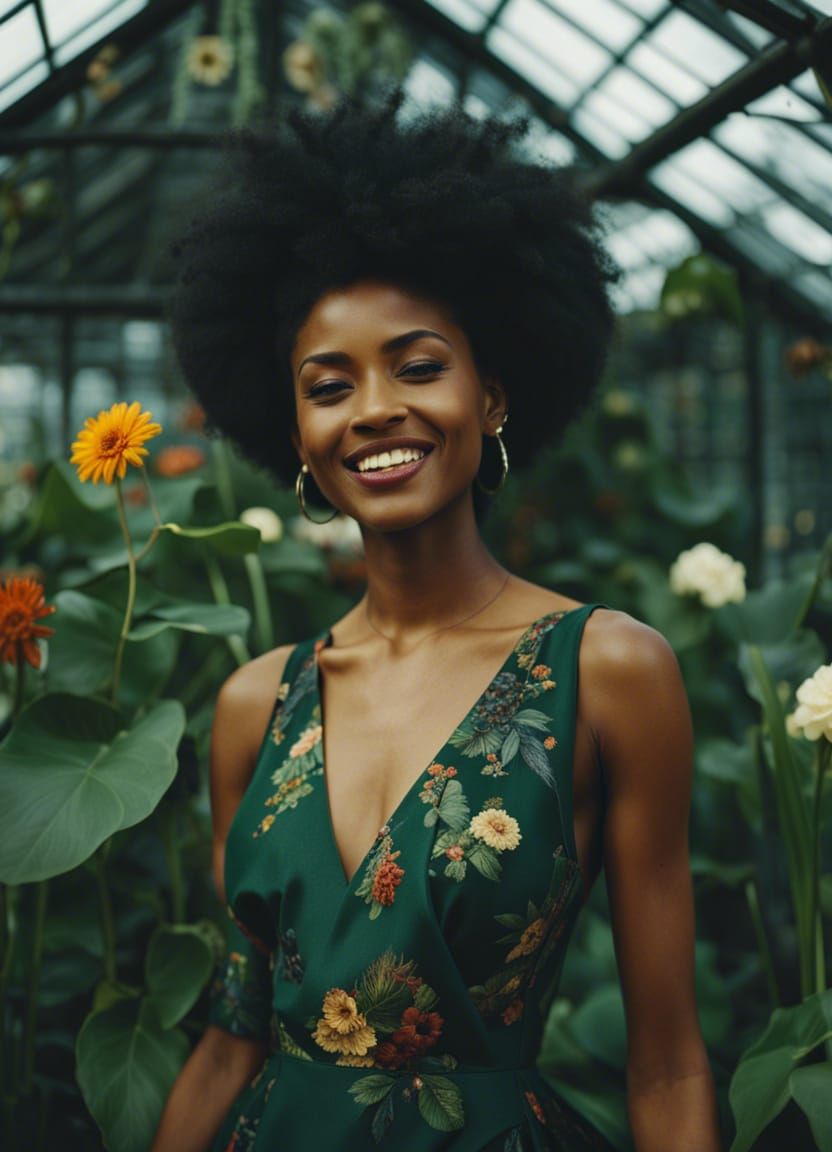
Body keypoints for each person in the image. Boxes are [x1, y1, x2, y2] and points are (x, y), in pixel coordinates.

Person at [153, 90, 722, 1152]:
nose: (374, 407)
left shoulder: (605, 672)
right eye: (331, 385)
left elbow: (669, 1061)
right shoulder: (254, 704)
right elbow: (232, 1039)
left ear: (492, 396)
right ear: (298, 432)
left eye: (417, 366)